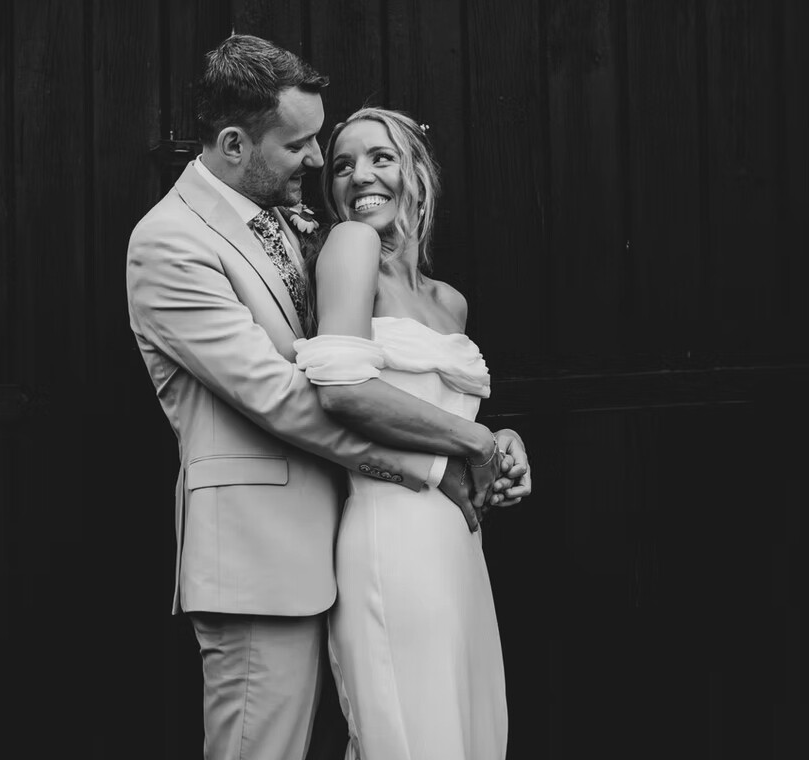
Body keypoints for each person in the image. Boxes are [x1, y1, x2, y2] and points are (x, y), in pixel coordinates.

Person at [126, 35, 527, 760]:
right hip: (262, 558)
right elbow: (284, 395)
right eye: (304, 146)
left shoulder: (287, 219)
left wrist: (489, 438)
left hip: (346, 532)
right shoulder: (169, 243)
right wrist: (440, 462)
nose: (318, 164)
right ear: (233, 144)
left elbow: (396, 375)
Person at [293, 107, 531, 759]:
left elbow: (443, 412)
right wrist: (471, 441)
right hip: (391, 536)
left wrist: (501, 441)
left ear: (417, 174)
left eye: (380, 157)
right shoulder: (351, 247)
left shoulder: (449, 300)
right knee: (412, 736)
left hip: (457, 543)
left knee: (467, 730)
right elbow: (342, 390)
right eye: (342, 165)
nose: (359, 175)